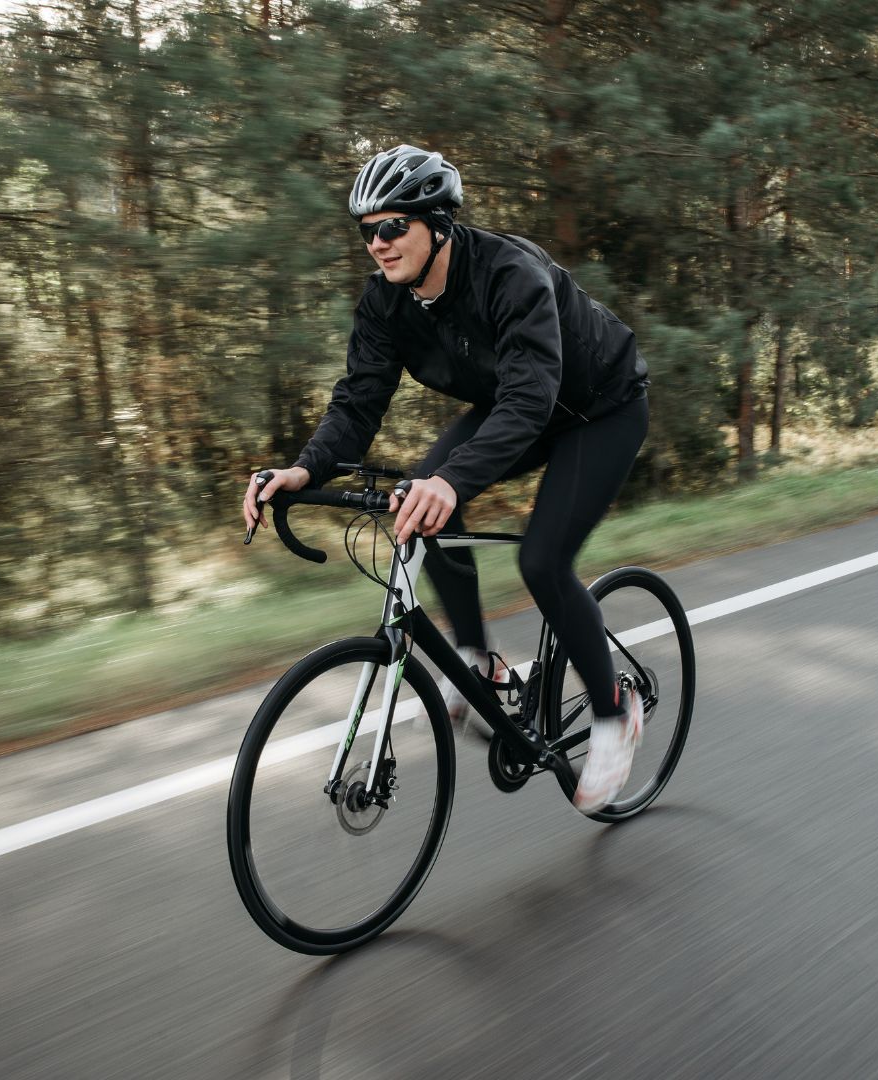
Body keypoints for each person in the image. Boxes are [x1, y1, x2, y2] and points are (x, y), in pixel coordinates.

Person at [241, 144, 650, 813]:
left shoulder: (509, 274)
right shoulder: (386, 305)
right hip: (521, 407)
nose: (377, 243)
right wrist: (303, 468)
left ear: (437, 222)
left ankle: (613, 717)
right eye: (366, 230)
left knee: (541, 557)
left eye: (392, 225)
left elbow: (530, 397)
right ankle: (477, 657)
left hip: (601, 407)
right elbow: (357, 401)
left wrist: (453, 481)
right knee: (420, 493)